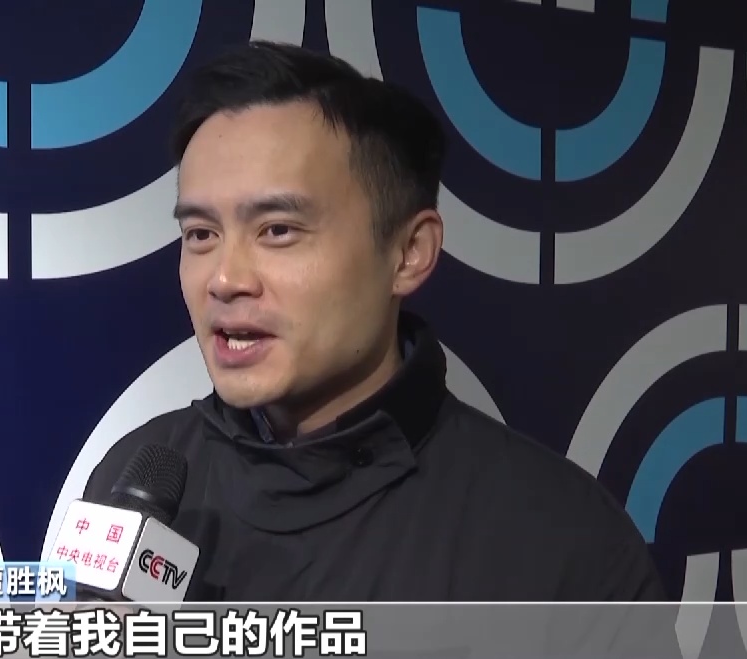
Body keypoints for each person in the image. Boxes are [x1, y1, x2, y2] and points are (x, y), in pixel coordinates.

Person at [82, 41, 668, 602]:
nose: (225, 278)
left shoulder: (566, 545)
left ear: (409, 253)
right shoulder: (134, 479)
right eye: (200, 234)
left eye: (277, 230)